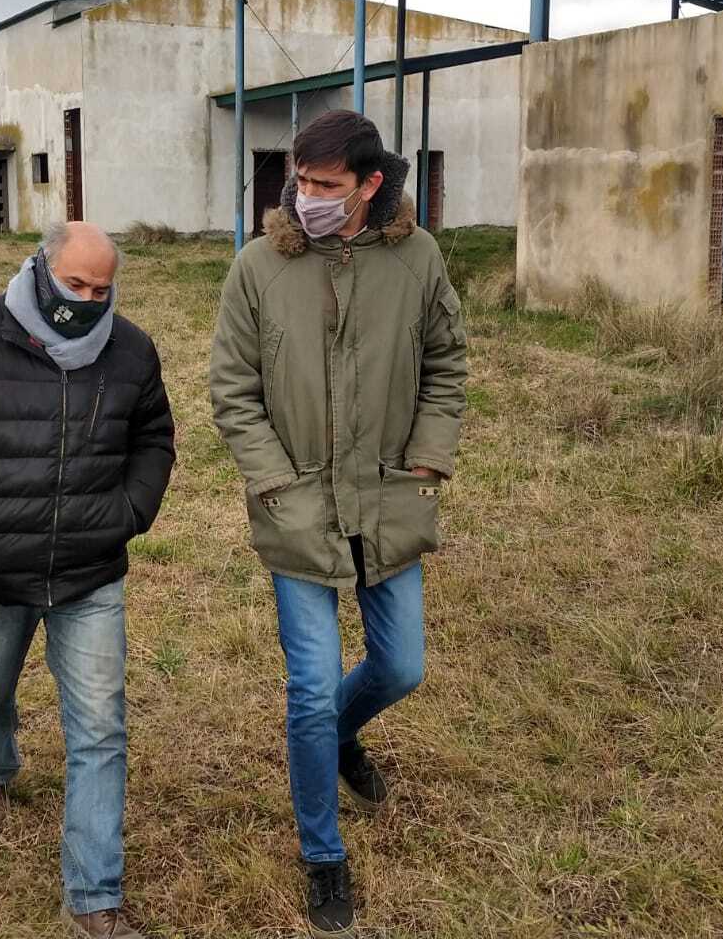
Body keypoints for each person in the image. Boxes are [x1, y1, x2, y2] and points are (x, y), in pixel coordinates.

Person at [209, 110, 467, 939]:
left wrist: (428, 459)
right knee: (310, 690)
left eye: (325, 185)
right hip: (298, 509)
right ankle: (322, 854)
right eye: (301, 180)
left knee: (402, 666)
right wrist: (275, 483)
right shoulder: (257, 268)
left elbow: (446, 363)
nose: (306, 197)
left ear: (369, 184)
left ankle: (344, 735)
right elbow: (233, 389)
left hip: (390, 498)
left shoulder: (417, 259)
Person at [0, 221, 175, 939]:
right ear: (43, 269)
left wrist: (129, 512)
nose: (86, 301)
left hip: (89, 574)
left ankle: (92, 900)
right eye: (74, 285)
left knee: (101, 729)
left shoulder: (131, 351)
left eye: (101, 290)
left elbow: (154, 438)